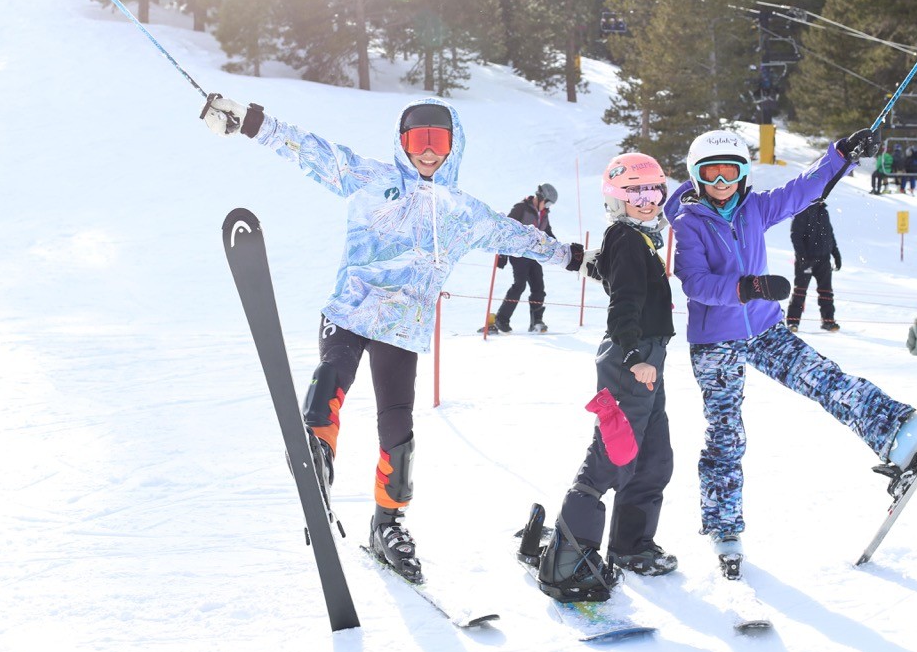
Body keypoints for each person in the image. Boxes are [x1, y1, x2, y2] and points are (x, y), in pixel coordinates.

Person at [200, 94, 586, 583]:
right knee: (329, 383)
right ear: (402, 143)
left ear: (454, 144)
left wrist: (578, 259)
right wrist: (250, 122)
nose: (427, 151)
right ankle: (316, 455)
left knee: (398, 430)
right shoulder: (371, 179)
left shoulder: (463, 213)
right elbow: (312, 151)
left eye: (438, 140)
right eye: (417, 140)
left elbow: (522, 239)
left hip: (403, 330)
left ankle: (387, 524)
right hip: (350, 312)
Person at [664, 129, 917, 579]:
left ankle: (896, 431)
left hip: (764, 327)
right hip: (714, 341)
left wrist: (840, 156)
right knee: (726, 433)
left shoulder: (753, 208)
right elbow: (695, 283)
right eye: (713, 173)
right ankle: (724, 528)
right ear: (697, 176)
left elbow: (802, 190)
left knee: (824, 378)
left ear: (744, 174)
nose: (723, 182)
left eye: (732, 171)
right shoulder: (688, 223)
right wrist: (748, 288)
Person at [536, 153, 678, 602]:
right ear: (616, 198)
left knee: (653, 457)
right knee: (614, 457)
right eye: (633, 192)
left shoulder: (635, 239)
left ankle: (631, 544)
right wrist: (636, 353)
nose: (646, 199)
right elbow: (626, 302)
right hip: (631, 358)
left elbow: (609, 272)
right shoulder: (628, 237)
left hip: (647, 359)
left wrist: (583, 261)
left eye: (653, 190)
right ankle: (567, 559)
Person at [490, 183, 560, 333]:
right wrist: (502, 253)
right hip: (519, 254)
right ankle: (501, 320)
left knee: (538, 288)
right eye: (547, 202)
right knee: (519, 285)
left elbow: (547, 233)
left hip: (534, 255)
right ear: (540, 197)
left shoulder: (544, 214)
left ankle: (536, 321)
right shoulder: (521, 208)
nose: (547, 206)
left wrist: (557, 248)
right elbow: (505, 228)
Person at [785, 200, 843, 333]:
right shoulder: (802, 210)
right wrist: (803, 257)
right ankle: (793, 322)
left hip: (824, 259)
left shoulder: (823, 212)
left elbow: (830, 234)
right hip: (806, 260)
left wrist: (836, 253)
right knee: (800, 291)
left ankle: (828, 321)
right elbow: (796, 236)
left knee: (826, 291)